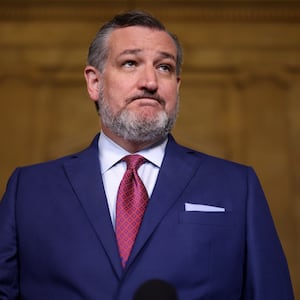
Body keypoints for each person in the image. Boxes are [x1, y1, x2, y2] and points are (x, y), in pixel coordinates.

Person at [0, 10, 294, 300]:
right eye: (130, 63)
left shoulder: (237, 186)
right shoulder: (28, 189)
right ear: (95, 82)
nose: (150, 82)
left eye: (164, 67)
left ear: (177, 86)